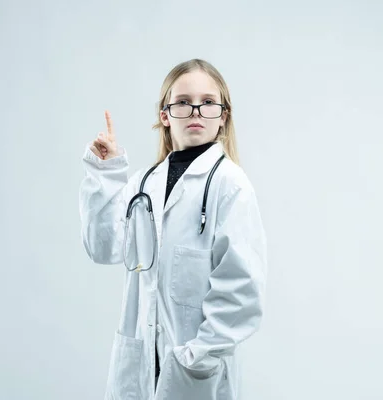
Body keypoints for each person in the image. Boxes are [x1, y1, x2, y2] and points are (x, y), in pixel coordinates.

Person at [78, 59, 267, 400]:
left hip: (194, 375)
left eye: (208, 102)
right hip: (137, 368)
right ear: (165, 115)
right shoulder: (143, 184)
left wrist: (194, 360)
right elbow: (103, 246)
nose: (196, 110)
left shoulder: (231, 185)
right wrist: (106, 174)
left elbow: (241, 291)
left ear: (222, 116)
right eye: (183, 102)